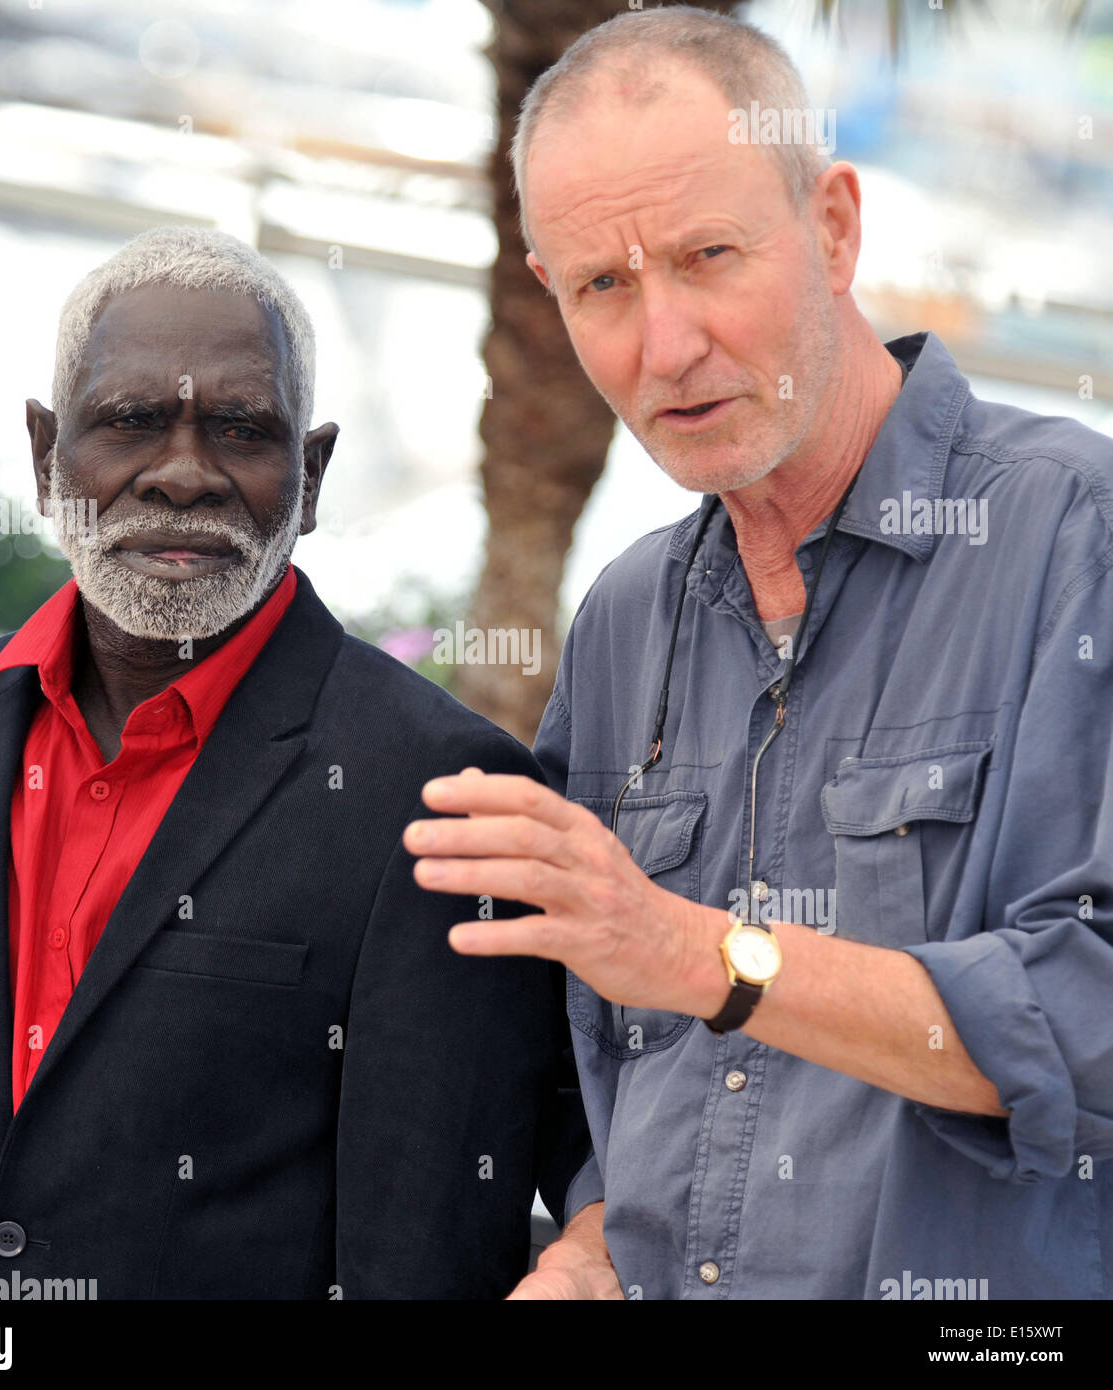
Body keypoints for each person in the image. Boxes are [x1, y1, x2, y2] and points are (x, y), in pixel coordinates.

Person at [405, 7, 1113, 1299]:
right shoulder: (625, 620)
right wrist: (585, 1245)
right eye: (602, 286)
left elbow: (1093, 1022)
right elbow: (609, 1071)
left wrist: (704, 953)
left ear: (835, 225)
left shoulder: (1078, 534)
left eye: (708, 255)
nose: (663, 346)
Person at [0, 226, 587, 1300]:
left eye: (242, 429)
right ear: (44, 455)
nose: (185, 473)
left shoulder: (442, 796)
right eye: (132, 421)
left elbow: (419, 1243)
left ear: (311, 473)